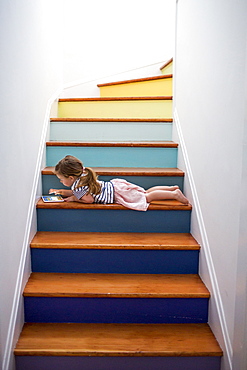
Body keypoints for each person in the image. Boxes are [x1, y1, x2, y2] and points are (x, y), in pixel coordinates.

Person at [49, 155, 189, 211]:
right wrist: (61, 192)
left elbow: (88, 200)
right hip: (117, 186)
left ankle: (175, 194)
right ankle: (170, 188)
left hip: (117, 194)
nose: (61, 182)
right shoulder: (83, 175)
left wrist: (73, 198)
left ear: (71, 178)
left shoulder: (78, 187)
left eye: (61, 179)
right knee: (144, 191)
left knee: (147, 197)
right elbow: (81, 192)